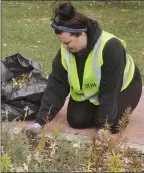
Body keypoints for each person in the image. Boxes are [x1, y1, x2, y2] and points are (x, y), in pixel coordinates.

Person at [23, 2, 142, 135]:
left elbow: (110, 90)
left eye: (67, 42)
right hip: (97, 91)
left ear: (82, 35)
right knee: (76, 120)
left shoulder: (110, 47)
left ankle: (111, 115)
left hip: (124, 87)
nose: (64, 47)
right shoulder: (65, 52)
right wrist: (39, 123)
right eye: (62, 43)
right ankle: (101, 113)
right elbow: (56, 87)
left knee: (113, 125)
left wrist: (104, 127)